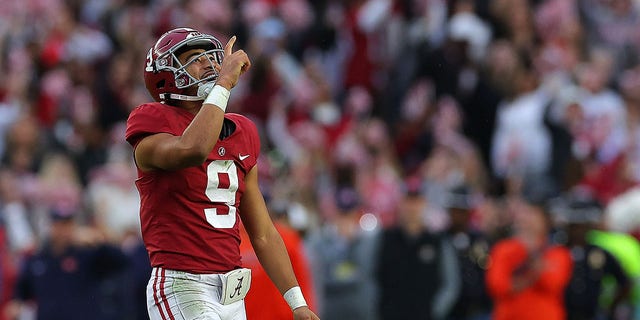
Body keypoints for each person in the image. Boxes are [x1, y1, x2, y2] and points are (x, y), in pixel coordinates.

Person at [124, 27, 319, 320]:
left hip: (231, 292)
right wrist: (225, 82)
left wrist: (297, 303)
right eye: (194, 58)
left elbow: (263, 233)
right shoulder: (152, 121)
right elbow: (192, 148)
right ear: (165, 73)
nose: (210, 64)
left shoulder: (242, 131)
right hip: (183, 285)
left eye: (212, 57)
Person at [5, 207, 130, 320]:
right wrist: (16, 303)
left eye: (68, 225)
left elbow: (123, 262)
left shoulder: (86, 253)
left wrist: (98, 241)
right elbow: (22, 291)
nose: (63, 231)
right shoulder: (38, 258)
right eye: (59, 225)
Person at [375, 177, 460, 320]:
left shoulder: (437, 241)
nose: (412, 207)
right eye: (408, 200)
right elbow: (371, 278)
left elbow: (450, 283)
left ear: (424, 203)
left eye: (416, 201)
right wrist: (375, 309)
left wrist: (435, 311)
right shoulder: (384, 239)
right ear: (400, 203)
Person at [485, 190, 573, 320]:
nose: (527, 220)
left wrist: (532, 255)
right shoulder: (503, 249)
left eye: (533, 214)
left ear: (545, 222)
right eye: (525, 214)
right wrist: (533, 272)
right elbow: (497, 286)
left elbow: (552, 284)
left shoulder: (559, 253)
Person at [553, 192, 631, 320]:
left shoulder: (598, 253)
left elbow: (624, 283)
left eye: (582, 226)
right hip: (562, 314)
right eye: (574, 226)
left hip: (592, 314)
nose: (578, 231)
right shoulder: (557, 252)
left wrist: (611, 307)